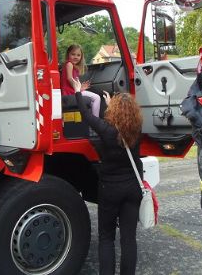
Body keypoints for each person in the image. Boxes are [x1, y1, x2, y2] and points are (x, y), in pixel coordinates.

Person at [72, 78, 143, 275]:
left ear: (114, 111)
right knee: (129, 239)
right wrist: (114, 104)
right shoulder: (137, 131)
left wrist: (78, 92)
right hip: (133, 189)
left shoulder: (106, 131)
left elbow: (86, 115)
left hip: (110, 190)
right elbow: (124, 124)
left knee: (106, 238)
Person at [60, 44, 101, 117]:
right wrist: (78, 89)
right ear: (68, 54)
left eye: (78, 55)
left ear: (81, 57)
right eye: (73, 54)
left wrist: (80, 87)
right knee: (96, 98)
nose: (76, 57)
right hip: (70, 93)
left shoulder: (71, 65)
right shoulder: (69, 64)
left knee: (92, 101)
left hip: (72, 90)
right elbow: (69, 78)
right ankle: (96, 123)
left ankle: (90, 122)